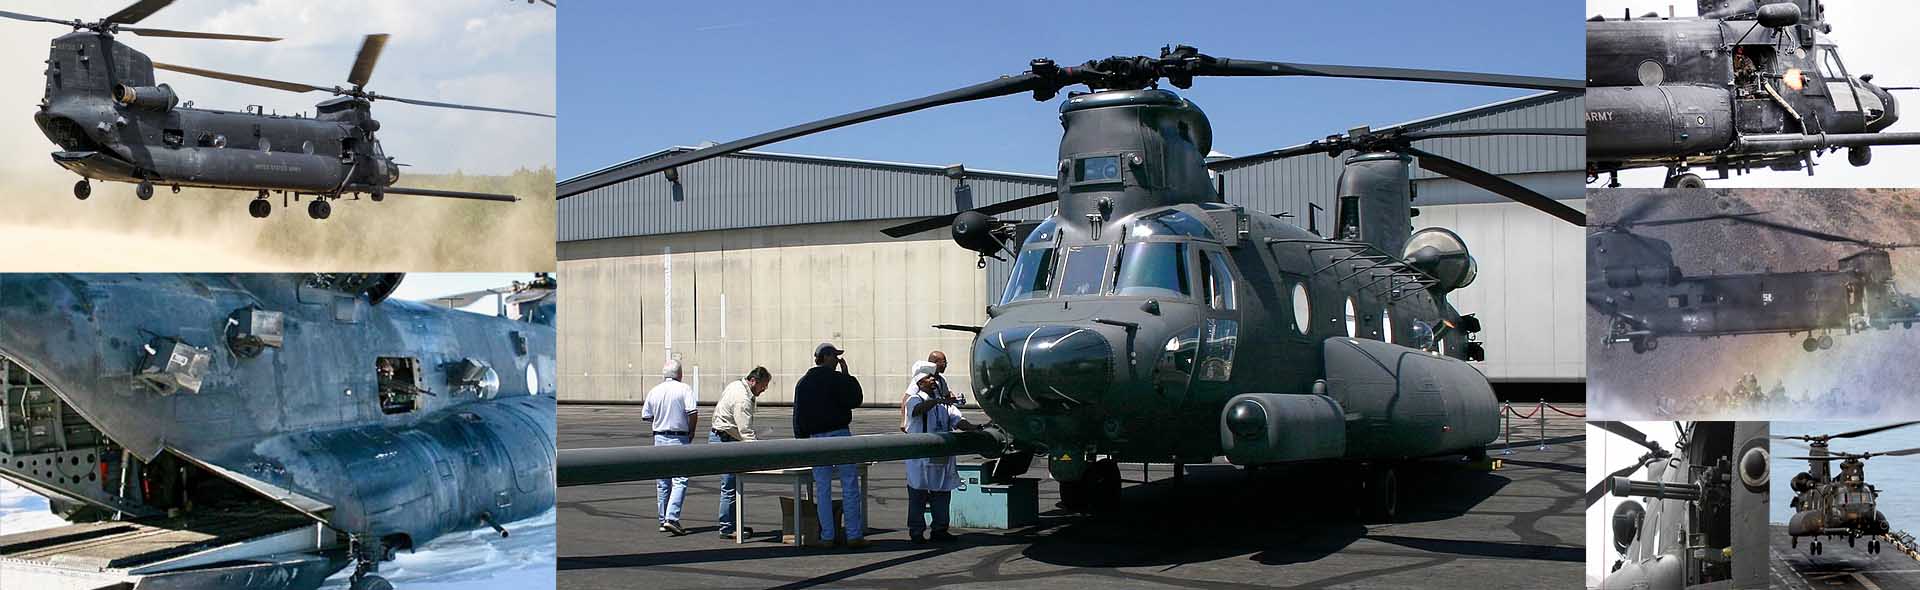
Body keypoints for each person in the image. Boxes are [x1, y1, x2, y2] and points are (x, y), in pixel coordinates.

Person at [792, 342, 866, 548]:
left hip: (816, 439)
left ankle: (827, 536)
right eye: (834, 356)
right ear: (825, 357)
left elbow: (798, 415)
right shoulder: (837, 379)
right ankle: (853, 534)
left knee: (822, 488)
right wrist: (847, 376)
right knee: (849, 485)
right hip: (840, 434)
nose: (837, 360)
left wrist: (801, 441)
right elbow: (856, 399)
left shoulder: (804, 382)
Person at [902, 361, 979, 543]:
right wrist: (937, 400)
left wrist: (978, 428)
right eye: (929, 378)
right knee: (918, 494)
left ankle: (940, 529)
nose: (933, 380)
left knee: (942, 492)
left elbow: (958, 420)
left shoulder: (944, 404)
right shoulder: (916, 399)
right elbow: (916, 411)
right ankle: (916, 531)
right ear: (920, 383)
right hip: (920, 457)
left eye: (934, 377)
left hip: (941, 455)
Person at [710, 366, 769, 538]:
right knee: (729, 486)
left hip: (723, 435)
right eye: (763, 385)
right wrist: (761, 453)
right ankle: (727, 528)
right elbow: (745, 432)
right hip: (726, 439)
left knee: (732, 485)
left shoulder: (736, 385)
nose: (764, 389)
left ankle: (733, 523)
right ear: (753, 381)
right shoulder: (742, 399)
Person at [641, 359, 697, 535]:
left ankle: (662, 518)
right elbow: (692, 412)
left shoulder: (654, 391)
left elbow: (646, 415)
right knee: (680, 479)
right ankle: (672, 518)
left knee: (662, 481)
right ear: (680, 374)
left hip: (659, 437)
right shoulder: (684, 389)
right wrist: (691, 431)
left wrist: (660, 420)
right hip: (679, 438)